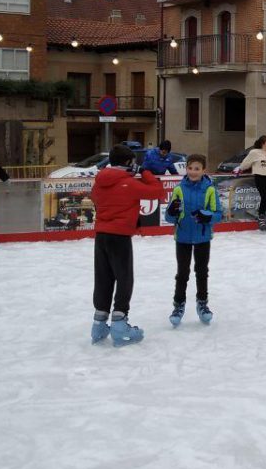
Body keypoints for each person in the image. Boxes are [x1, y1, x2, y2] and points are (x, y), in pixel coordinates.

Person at [88, 144, 166, 347]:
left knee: (103, 278)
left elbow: (95, 198)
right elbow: (158, 192)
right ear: (128, 163)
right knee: (124, 278)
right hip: (120, 236)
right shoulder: (128, 184)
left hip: (101, 235)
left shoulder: (99, 183)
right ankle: (120, 323)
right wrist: (145, 172)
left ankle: (99, 322)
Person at [165, 154, 222, 327]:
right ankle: (178, 305)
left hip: (202, 238)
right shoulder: (179, 189)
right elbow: (168, 217)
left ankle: (202, 303)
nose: (193, 172)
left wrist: (207, 217)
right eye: (190, 168)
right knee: (182, 273)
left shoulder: (210, 189)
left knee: (202, 271)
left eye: (197, 169)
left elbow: (218, 214)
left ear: (204, 170)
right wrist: (173, 211)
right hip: (182, 238)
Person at [234, 135, 266, 232]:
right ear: (262, 143)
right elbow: (245, 163)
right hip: (260, 177)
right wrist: (239, 168)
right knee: (265, 197)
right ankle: (261, 217)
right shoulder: (254, 152)